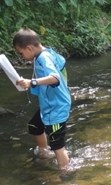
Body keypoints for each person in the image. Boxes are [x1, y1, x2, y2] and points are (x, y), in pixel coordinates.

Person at [14, 29, 71, 170]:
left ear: (29, 48)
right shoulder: (48, 53)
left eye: (21, 53)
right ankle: (44, 153)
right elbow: (62, 63)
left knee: (58, 145)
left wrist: (32, 82)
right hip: (49, 104)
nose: (22, 57)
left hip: (56, 107)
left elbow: (55, 78)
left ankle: (65, 174)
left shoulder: (44, 58)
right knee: (35, 125)